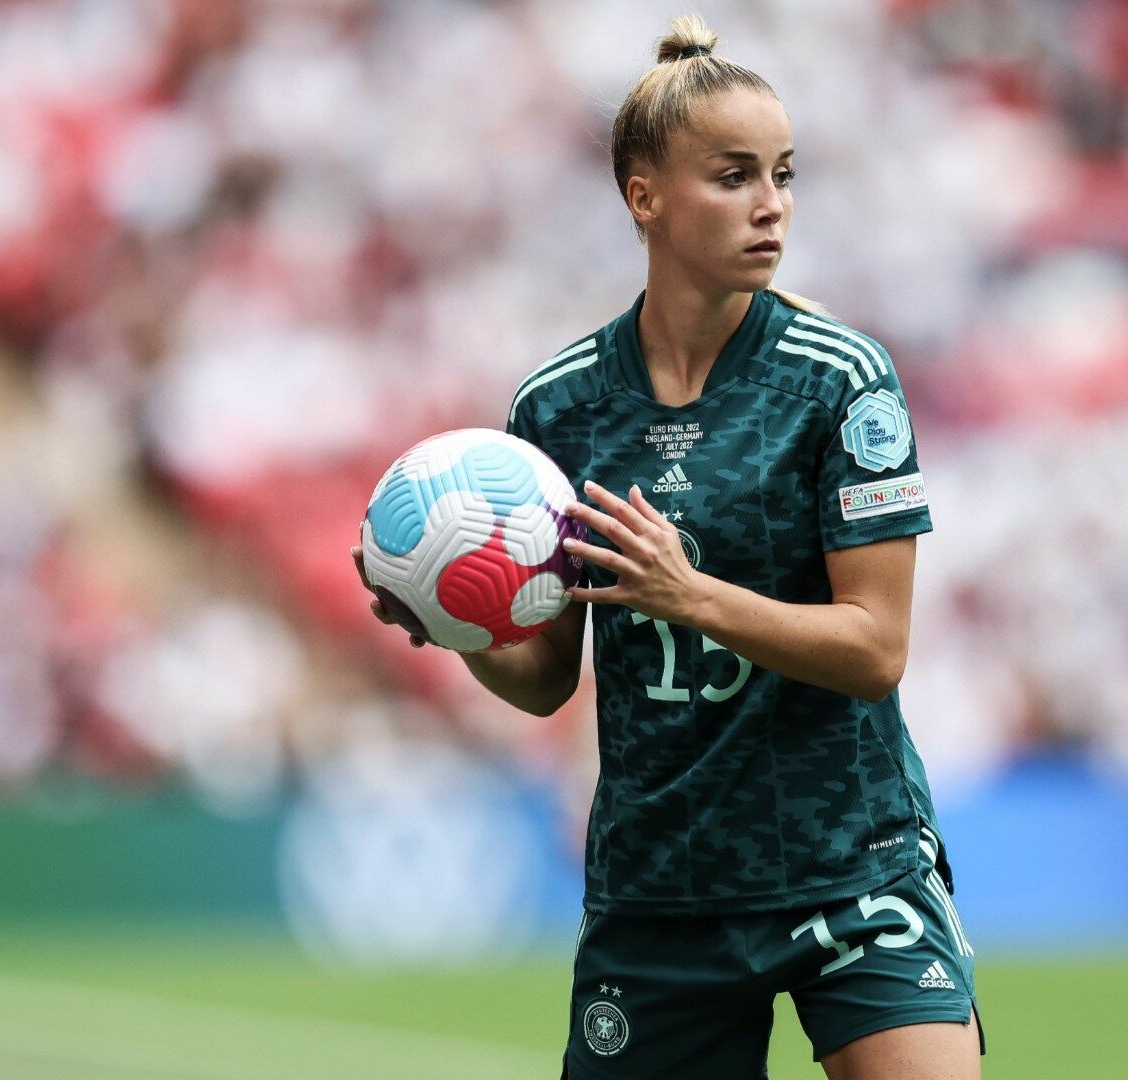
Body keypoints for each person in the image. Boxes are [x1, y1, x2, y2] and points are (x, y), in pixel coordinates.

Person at [354, 14, 981, 1078]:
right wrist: (456, 620)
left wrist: (692, 596)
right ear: (644, 197)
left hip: (851, 868)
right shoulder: (559, 409)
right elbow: (548, 680)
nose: (771, 203)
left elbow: (876, 649)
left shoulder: (841, 380)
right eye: (733, 176)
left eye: (783, 173)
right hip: (663, 890)